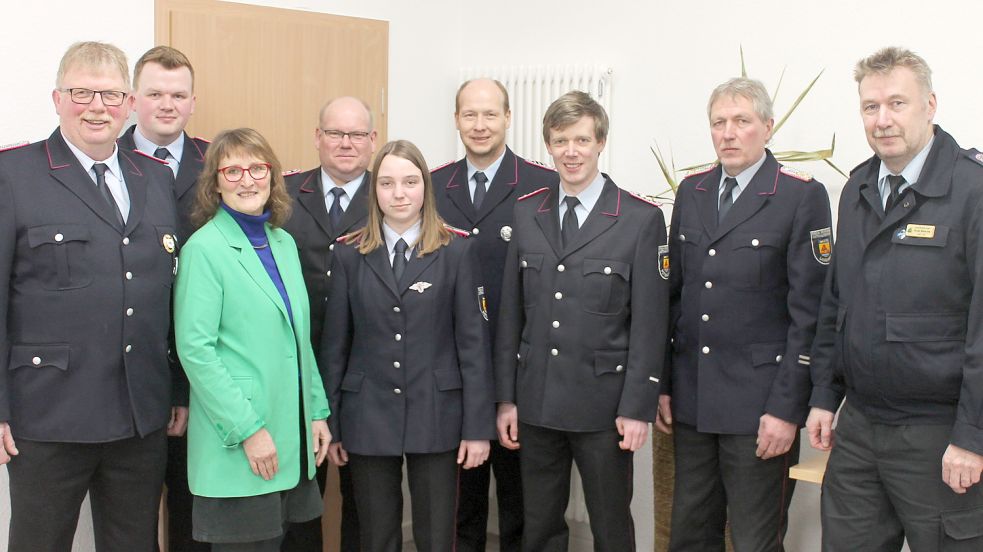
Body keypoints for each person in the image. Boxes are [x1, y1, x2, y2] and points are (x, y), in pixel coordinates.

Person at [0, 41, 178, 552]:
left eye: (109, 94)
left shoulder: (157, 179)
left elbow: (167, 297)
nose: (96, 107)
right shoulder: (15, 176)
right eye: (81, 92)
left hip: (138, 414)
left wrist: (177, 394)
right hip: (48, 414)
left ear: (128, 105)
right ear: (57, 98)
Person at [807, 46, 983, 551]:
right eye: (870, 107)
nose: (882, 120)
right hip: (859, 430)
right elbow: (836, 302)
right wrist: (824, 395)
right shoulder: (859, 185)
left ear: (930, 105)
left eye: (897, 104)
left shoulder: (972, 190)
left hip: (939, 435)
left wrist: (972, 436)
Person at [657, 77, 832, 551]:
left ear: (768, 128)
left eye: (742, 121)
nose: (728, 133)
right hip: (694, 401)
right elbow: (675, 298)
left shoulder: (799, 196)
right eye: (718, 123)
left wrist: (785, 409)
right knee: (690, 536)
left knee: (756, 540)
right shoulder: (692, 192)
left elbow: (808, 316)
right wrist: (667, 385)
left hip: (760, 408)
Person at [494, 91, 668, 551]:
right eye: (560, 141)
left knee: (611, 525)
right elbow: (511, 313)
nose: (571, 152)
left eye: (581, 140)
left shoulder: (639, 219)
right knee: (540, 525)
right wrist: (507, 399)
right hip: (537, 402)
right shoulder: (527, 212)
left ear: (600, 142)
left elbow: (650, 324)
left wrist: (637, 407)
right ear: (547, 146)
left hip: (604, 407)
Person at [321, 139, 495, 552]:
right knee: (376, 535)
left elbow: (473, 347)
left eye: (410, 182)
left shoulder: (457, 250)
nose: (399, 193)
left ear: (425, 188)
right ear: (373, 191)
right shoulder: (349, 253)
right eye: (387, 183)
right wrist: (334, 423)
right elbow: (335, 347)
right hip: (367, 415)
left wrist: (477, 429)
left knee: (436, 535)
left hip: (437, 413)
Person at [174, 128, 331, 552]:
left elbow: (300, 338)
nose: (247, 180)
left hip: (289, 435)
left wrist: (315, 412)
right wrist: (248, 431)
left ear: (272, 176)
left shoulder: (283, 243)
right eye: (233, 170)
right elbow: (196, 350)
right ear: (215, 182)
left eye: (257, 168)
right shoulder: (204, 249)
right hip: (241, 441)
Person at [431, 78, 558, 552]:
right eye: (469, 114)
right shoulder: (430, 185)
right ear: (457, 120)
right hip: (452, 366)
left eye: (489, 115)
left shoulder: (541, 185)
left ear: (508, 118)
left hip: (520, 367)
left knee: (521, 501)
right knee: (459, 503)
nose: (479, 125)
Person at [118, 44, 210, 552]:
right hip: (132, 365)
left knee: (194, 510)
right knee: (130, 516)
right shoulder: (107, 162)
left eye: (178, 95)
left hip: (200, 367)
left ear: (193, 102)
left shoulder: (216, 164)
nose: (167, 105)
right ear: (134, 99)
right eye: (155, 93)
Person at [281, 96, 375, 552]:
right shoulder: (282, 194)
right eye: (335, 133)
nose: (345, 143)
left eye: (356, 134)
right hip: (297, 368)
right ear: (317, 137)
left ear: (372, 141)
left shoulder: (392, 194)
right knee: (301, 493)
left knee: (365, 497)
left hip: (367, 370)